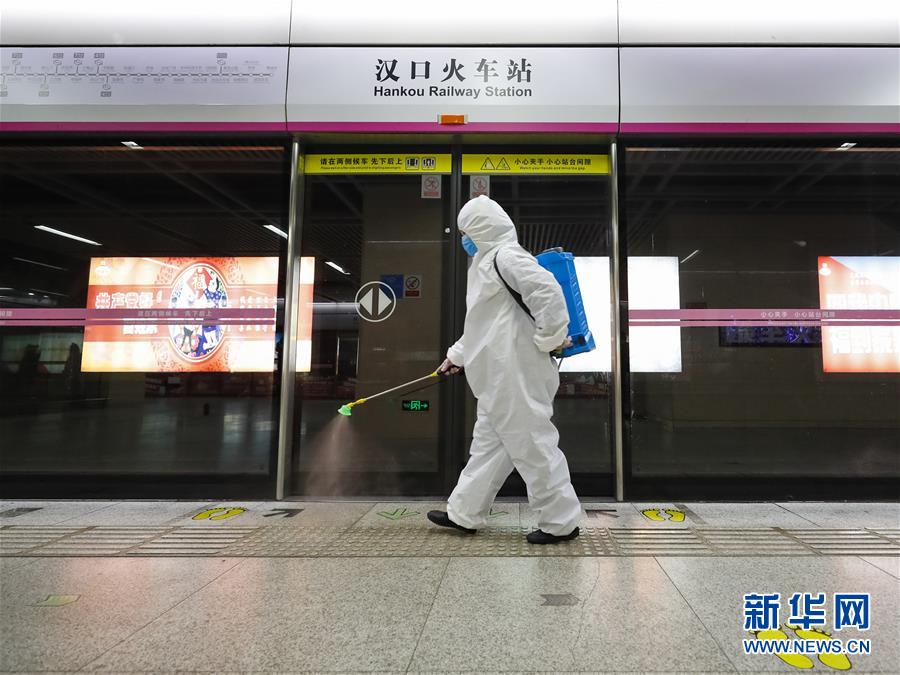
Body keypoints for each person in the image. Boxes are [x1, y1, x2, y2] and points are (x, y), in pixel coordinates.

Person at [427, 195, 583, 545]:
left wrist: (548, 340)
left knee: (533, 445)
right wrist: (457, 356)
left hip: (517, 373)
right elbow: (483, 324)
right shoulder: (483, 265)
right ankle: (464, 513)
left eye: (466, 232)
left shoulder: (507, 256)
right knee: (488, 446)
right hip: (497, 375)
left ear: (481, 228)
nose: (464, 240)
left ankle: (561, 522)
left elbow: (548, 293)